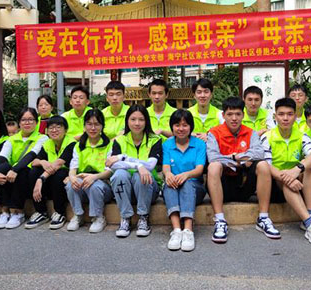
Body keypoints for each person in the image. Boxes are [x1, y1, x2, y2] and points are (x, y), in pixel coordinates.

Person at [206, 97, 279, 244]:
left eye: (238, 114)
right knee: (213, 166)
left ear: (243, 115)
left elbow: (259, 153)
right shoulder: (214, 133)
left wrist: (236, 157)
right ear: (223, 115)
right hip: (223, 186)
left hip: (245, 184)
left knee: (263, 165)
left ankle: (263, 218)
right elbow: (213, 157)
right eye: (230, 114)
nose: (234, 118)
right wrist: (238, 159)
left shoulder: (251, 133)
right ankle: (220, 220)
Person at [261, 98, 311, 248]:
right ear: (275, 116)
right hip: (275, 182)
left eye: (290, 114)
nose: (285, 118)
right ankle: (310, 223)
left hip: (297, 178)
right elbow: (267, 166)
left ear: (295, 116)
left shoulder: (302, 135)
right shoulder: (267, 137)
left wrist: (296, 170)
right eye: (281, 114)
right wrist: (287, 177)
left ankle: (310, 215)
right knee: (288, 183)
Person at [107, 105, 162, 238]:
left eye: (141, 119)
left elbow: (150, 165)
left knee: (140, 176)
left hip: (149, 190)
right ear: (127, 121)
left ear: (146, 121)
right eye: (133, 119)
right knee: (119, 174)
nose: (137, 123)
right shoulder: (119, 140)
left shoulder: (155, 140)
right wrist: (138, 166)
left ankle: (143, 217)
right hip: (125, 190)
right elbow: (112, 165)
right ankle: (125, 217)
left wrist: (123, 157)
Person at [0, 107, 48, 229]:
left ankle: (18, 212)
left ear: (36, 122)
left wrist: (15, 169)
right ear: (19, 123)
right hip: (12, 176)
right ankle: (5, 212)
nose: (27, 123)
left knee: (22, 170)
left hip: (28, 179)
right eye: (24, 120)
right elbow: (1, 156)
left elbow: (31, 155)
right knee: (2, 167)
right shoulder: (11, 139)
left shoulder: (42, 138)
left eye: (31, 119)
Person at [162, 109, 206, 252]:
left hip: (195, 188)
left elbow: (199, 169)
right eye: (177, 125)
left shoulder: (199, 144)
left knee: (187, 183)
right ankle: (176, 230)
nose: (181, 129)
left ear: (191, 127)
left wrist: (186, 175)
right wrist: (168, 174)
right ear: (172, 127)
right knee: (169, 184)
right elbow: (166, 167)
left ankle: (188, 230)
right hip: (174, 187)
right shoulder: (167, 144)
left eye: (185, 125)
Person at [65, 109, 114, 233]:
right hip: (83, 181)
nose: (93, 128)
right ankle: (78, 215)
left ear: (102, 126)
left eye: (96, 124)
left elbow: (109, 171)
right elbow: (73, 168)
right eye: (89, 124)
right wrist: (72, 178)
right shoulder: (78, 146)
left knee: (94, 186)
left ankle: (98, 217)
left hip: (103, 183)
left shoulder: (109, 145)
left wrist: (94, 177)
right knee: (70, 185)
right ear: (84, 126)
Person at [27, 116, 75, 230]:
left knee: (59, 174)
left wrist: (41, 179)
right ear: (47, 131)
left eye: (58, 127)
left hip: (66, 177)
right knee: (34, 172)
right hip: (51, 178)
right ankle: (41, 212)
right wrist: (42, 162)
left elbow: (58, 164)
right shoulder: (48, 143)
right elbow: (34, 162)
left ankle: (60, 212)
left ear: (66, 130)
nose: (54, 130)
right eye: (51, 128)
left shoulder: (71, 143)